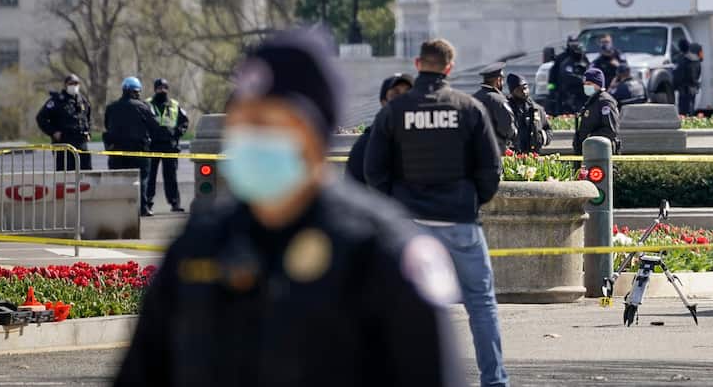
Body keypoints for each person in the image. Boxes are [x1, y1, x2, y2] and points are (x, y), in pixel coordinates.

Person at [115, 29, 463, 387]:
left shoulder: (382, 252)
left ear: (314, 133)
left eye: (268, 123)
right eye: (244, 122)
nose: (251, 137)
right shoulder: (198, 245)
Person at [365, 38, 508, 387]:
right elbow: (491, 169)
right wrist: (472, 200)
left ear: (417, 64)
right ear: (449, 67)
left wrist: (396, 206)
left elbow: (373, 170)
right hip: (459, 221)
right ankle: (494, 380)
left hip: (410, 226)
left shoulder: (395, 111)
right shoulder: (468, 108)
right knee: (481, 305)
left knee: (405, 310)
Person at [104, 77, 158, 217]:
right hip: (139, 150)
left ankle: (118, 208)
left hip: (117, 151)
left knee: (118, 179)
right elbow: (154, 126)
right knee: (142, 180)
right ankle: (142, 208)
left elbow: (107, 125)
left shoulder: (111, 107)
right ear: (136, 91)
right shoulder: (143, 106)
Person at [346, 73, 413, 184]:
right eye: (395, 94)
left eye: (409, 94)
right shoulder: (366, 143)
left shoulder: (423, 138)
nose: (403, 100)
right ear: (383, 102)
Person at [145, 78, 190, 214]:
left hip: (170, 145)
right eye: (159, 88)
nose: (162, 90)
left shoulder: (174, 105)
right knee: (150, 176)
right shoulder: (147, 104)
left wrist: (177, 133)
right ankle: (147, 204)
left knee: (171, 176)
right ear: (155, 89)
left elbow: (184, 122)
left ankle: (175, 203)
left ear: (167, 89)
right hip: (152, 145)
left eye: (164, 88)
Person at [35, 73, 92, 171]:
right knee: (65, 176)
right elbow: (41, 118)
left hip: (81, 144)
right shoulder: (56, 101)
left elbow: (88, 119)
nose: (74, 86)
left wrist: (88, 133)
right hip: (64, 144)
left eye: (76, 83)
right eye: (71, 83)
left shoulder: (83, 101)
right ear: (66, 85)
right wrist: (53, 132)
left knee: (85, 174)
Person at [573, 68, 620, 154]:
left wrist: (590, 137)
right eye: (585, 84)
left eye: (589, 84)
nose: (586, 86)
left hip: (601, 151)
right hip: (591, 150)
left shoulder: (605, 102)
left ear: (598, 84)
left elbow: (610, 130)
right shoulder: (592, 101)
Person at [473, 62, 517, 154]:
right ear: (498, 80)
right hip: (496, 149)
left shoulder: (473, 98)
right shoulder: (498, 99)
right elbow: (507, 127)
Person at [505, 73, 552, 154]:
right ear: (512, 91)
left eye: (525, 88)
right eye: (520, 89)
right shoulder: (506, 108)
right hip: (512, 155)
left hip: (532, 154)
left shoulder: (536, 109)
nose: (524, 92)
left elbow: (548, 129)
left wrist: (541, 138)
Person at [548, 36, 588, 116]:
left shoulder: (583, 58)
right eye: (572, 43)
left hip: (581, 93)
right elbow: (552, 77)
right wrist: (552, 91)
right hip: (564, 93)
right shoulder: (561, 58)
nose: (574, 45)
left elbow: (589, 72)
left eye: (576, 43)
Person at [672, 39, 703, 116]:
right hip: (693, 88)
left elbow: (679, 75)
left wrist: (674, 86)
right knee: (691, 109)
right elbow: (698, 73)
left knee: (683, 111)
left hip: (684, 88)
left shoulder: (681, 59)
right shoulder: (696, 59)